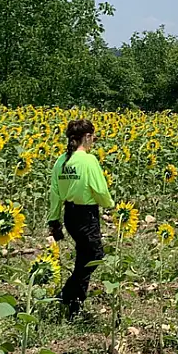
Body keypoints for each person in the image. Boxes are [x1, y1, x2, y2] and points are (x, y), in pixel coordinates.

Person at [47, 119, 114, 320]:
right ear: (86, 137)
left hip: (69, 215)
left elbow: (55, 193)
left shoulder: (61, 161)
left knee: (84, 258)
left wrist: (54, 220)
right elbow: (100, 189)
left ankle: (74, 307)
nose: (93, 141)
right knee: (94, 255)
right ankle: (66, 296)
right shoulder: (88, 160)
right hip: (86, 215)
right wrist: (109, 204)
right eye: (93, 137)